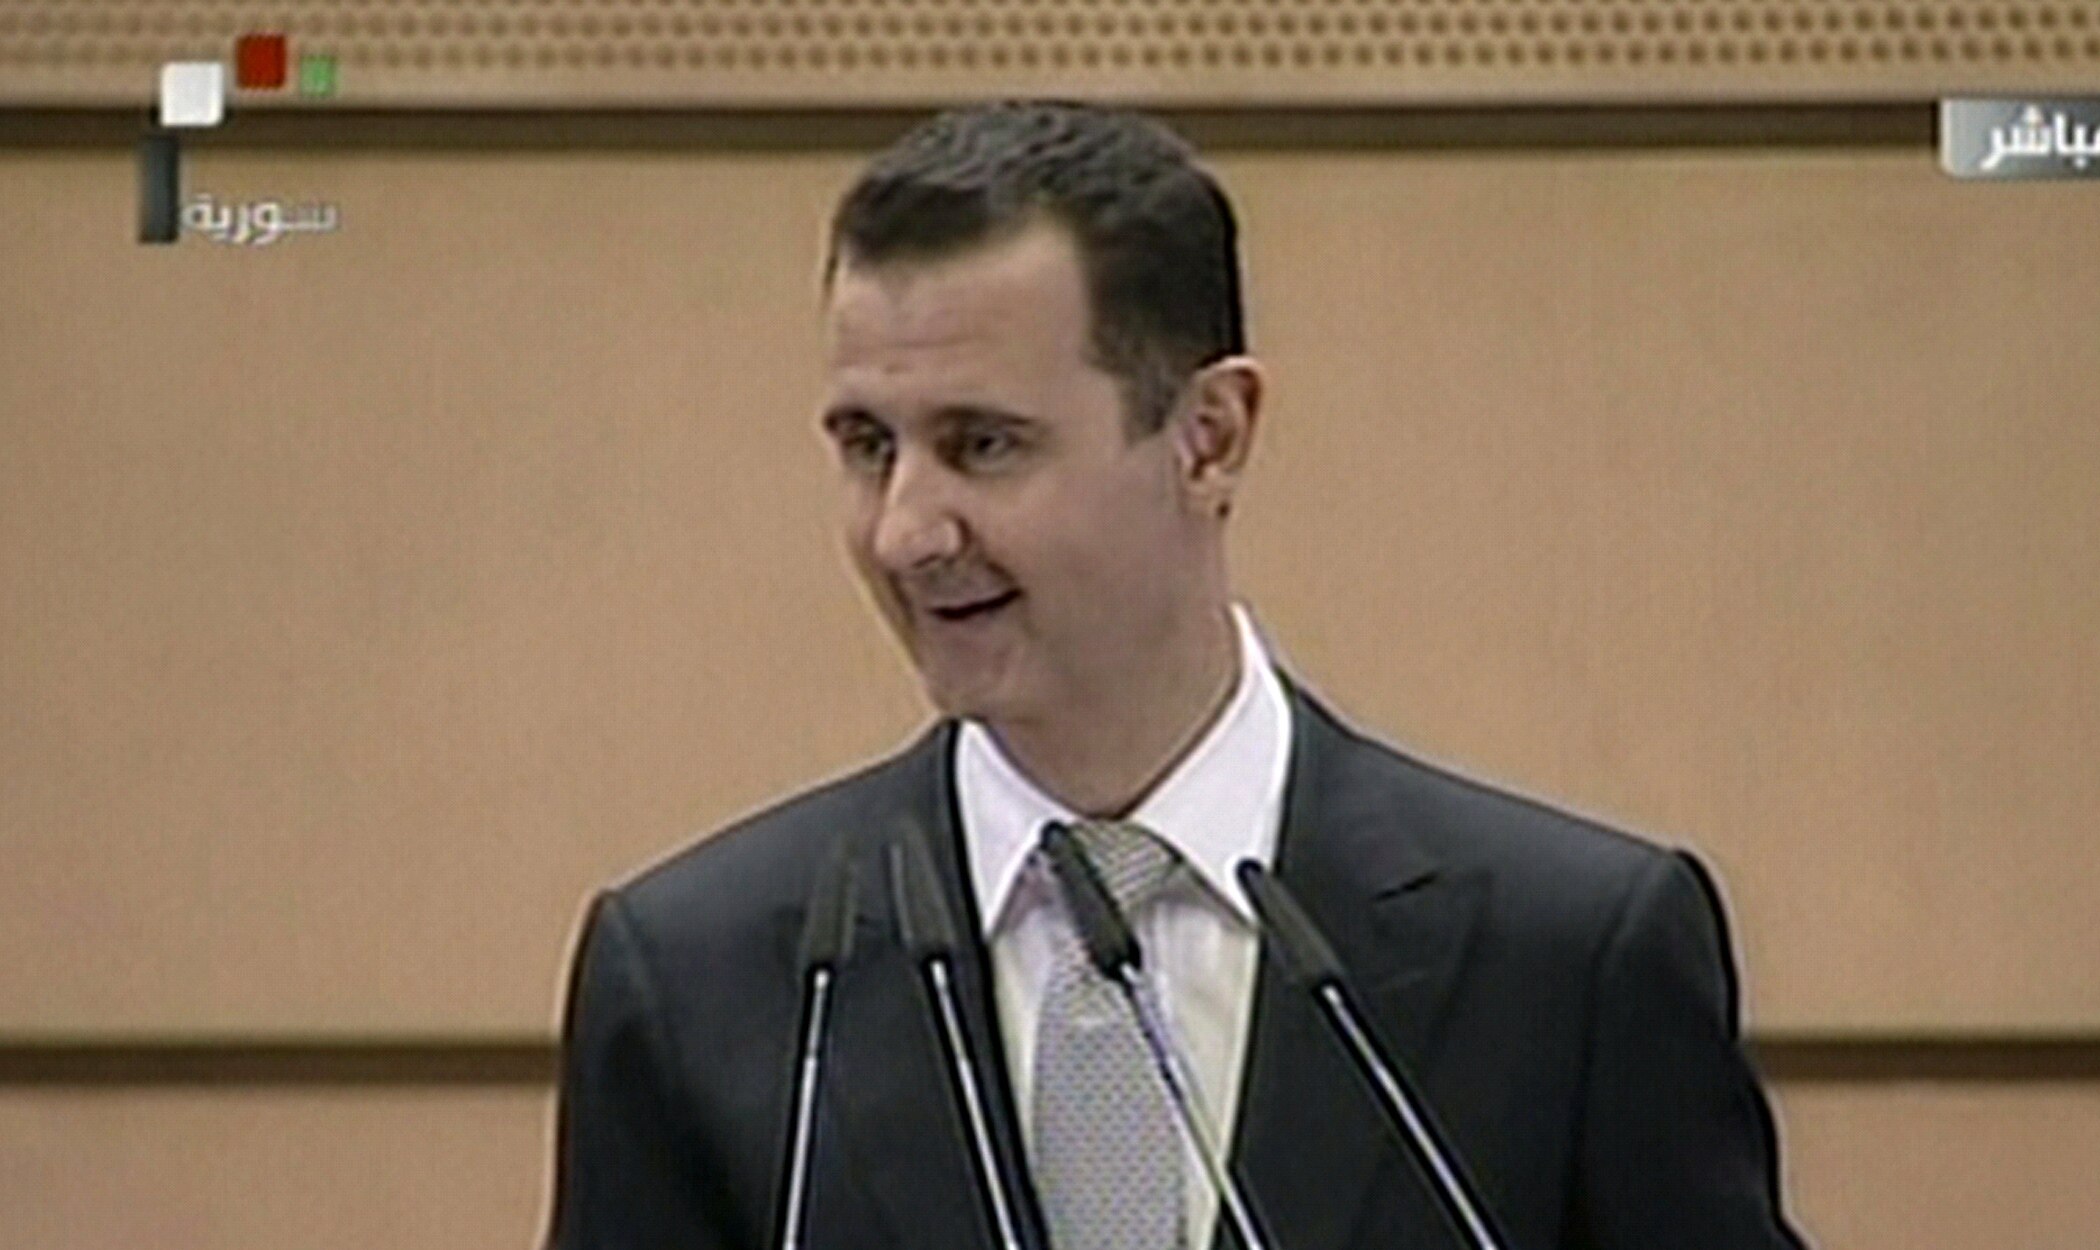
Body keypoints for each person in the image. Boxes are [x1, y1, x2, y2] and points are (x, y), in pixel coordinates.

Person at [546, 101, 1806, 1250]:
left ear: (1208, 438)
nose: (905, 531)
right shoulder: (703, 983)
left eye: (982, 444)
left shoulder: (1566, 960)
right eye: (869, 445)